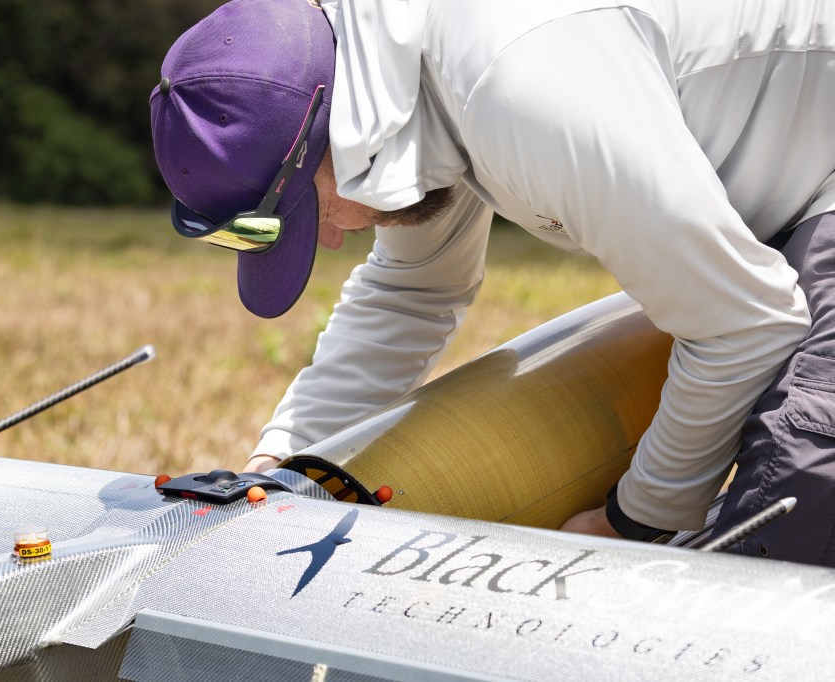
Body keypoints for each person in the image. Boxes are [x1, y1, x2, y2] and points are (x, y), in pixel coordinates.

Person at [149, 0, 835, 566]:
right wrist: (279, 465)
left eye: (311, 212)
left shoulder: (524, 87)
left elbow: (745, 323)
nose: (329, 238)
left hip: (820, 172)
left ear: (339, 136)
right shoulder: (398, 69)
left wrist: (631, 525)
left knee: (795, 491)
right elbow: (412, 290)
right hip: (784, 177)